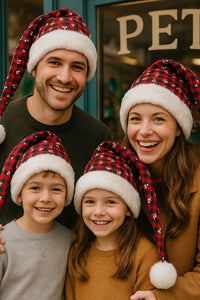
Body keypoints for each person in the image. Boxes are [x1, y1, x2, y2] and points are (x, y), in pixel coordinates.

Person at [0, 8, 111, 231]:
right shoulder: (2, 123)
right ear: (34, 67)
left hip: (70, 263)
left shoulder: (97, 136)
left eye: (77, 67)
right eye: (54, 62)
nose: (65, 77)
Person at [119, 59, 200, 299]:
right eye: (135, 118)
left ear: (179, 128)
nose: (144, 131)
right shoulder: (113, 176)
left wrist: (161, 296)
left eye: (158, 119)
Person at [65, 141, 177, 300]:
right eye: (90, 201)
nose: (98, 212)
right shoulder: (77, 251)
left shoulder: (144, 254)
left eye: (110, 202)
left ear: (129, 209)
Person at [0, 131, 75, 299]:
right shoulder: (3, 242)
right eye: (35, 188)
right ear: (19, 194)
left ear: (67, 195)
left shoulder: (72, 241)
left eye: (56, 189)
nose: (46, 198)